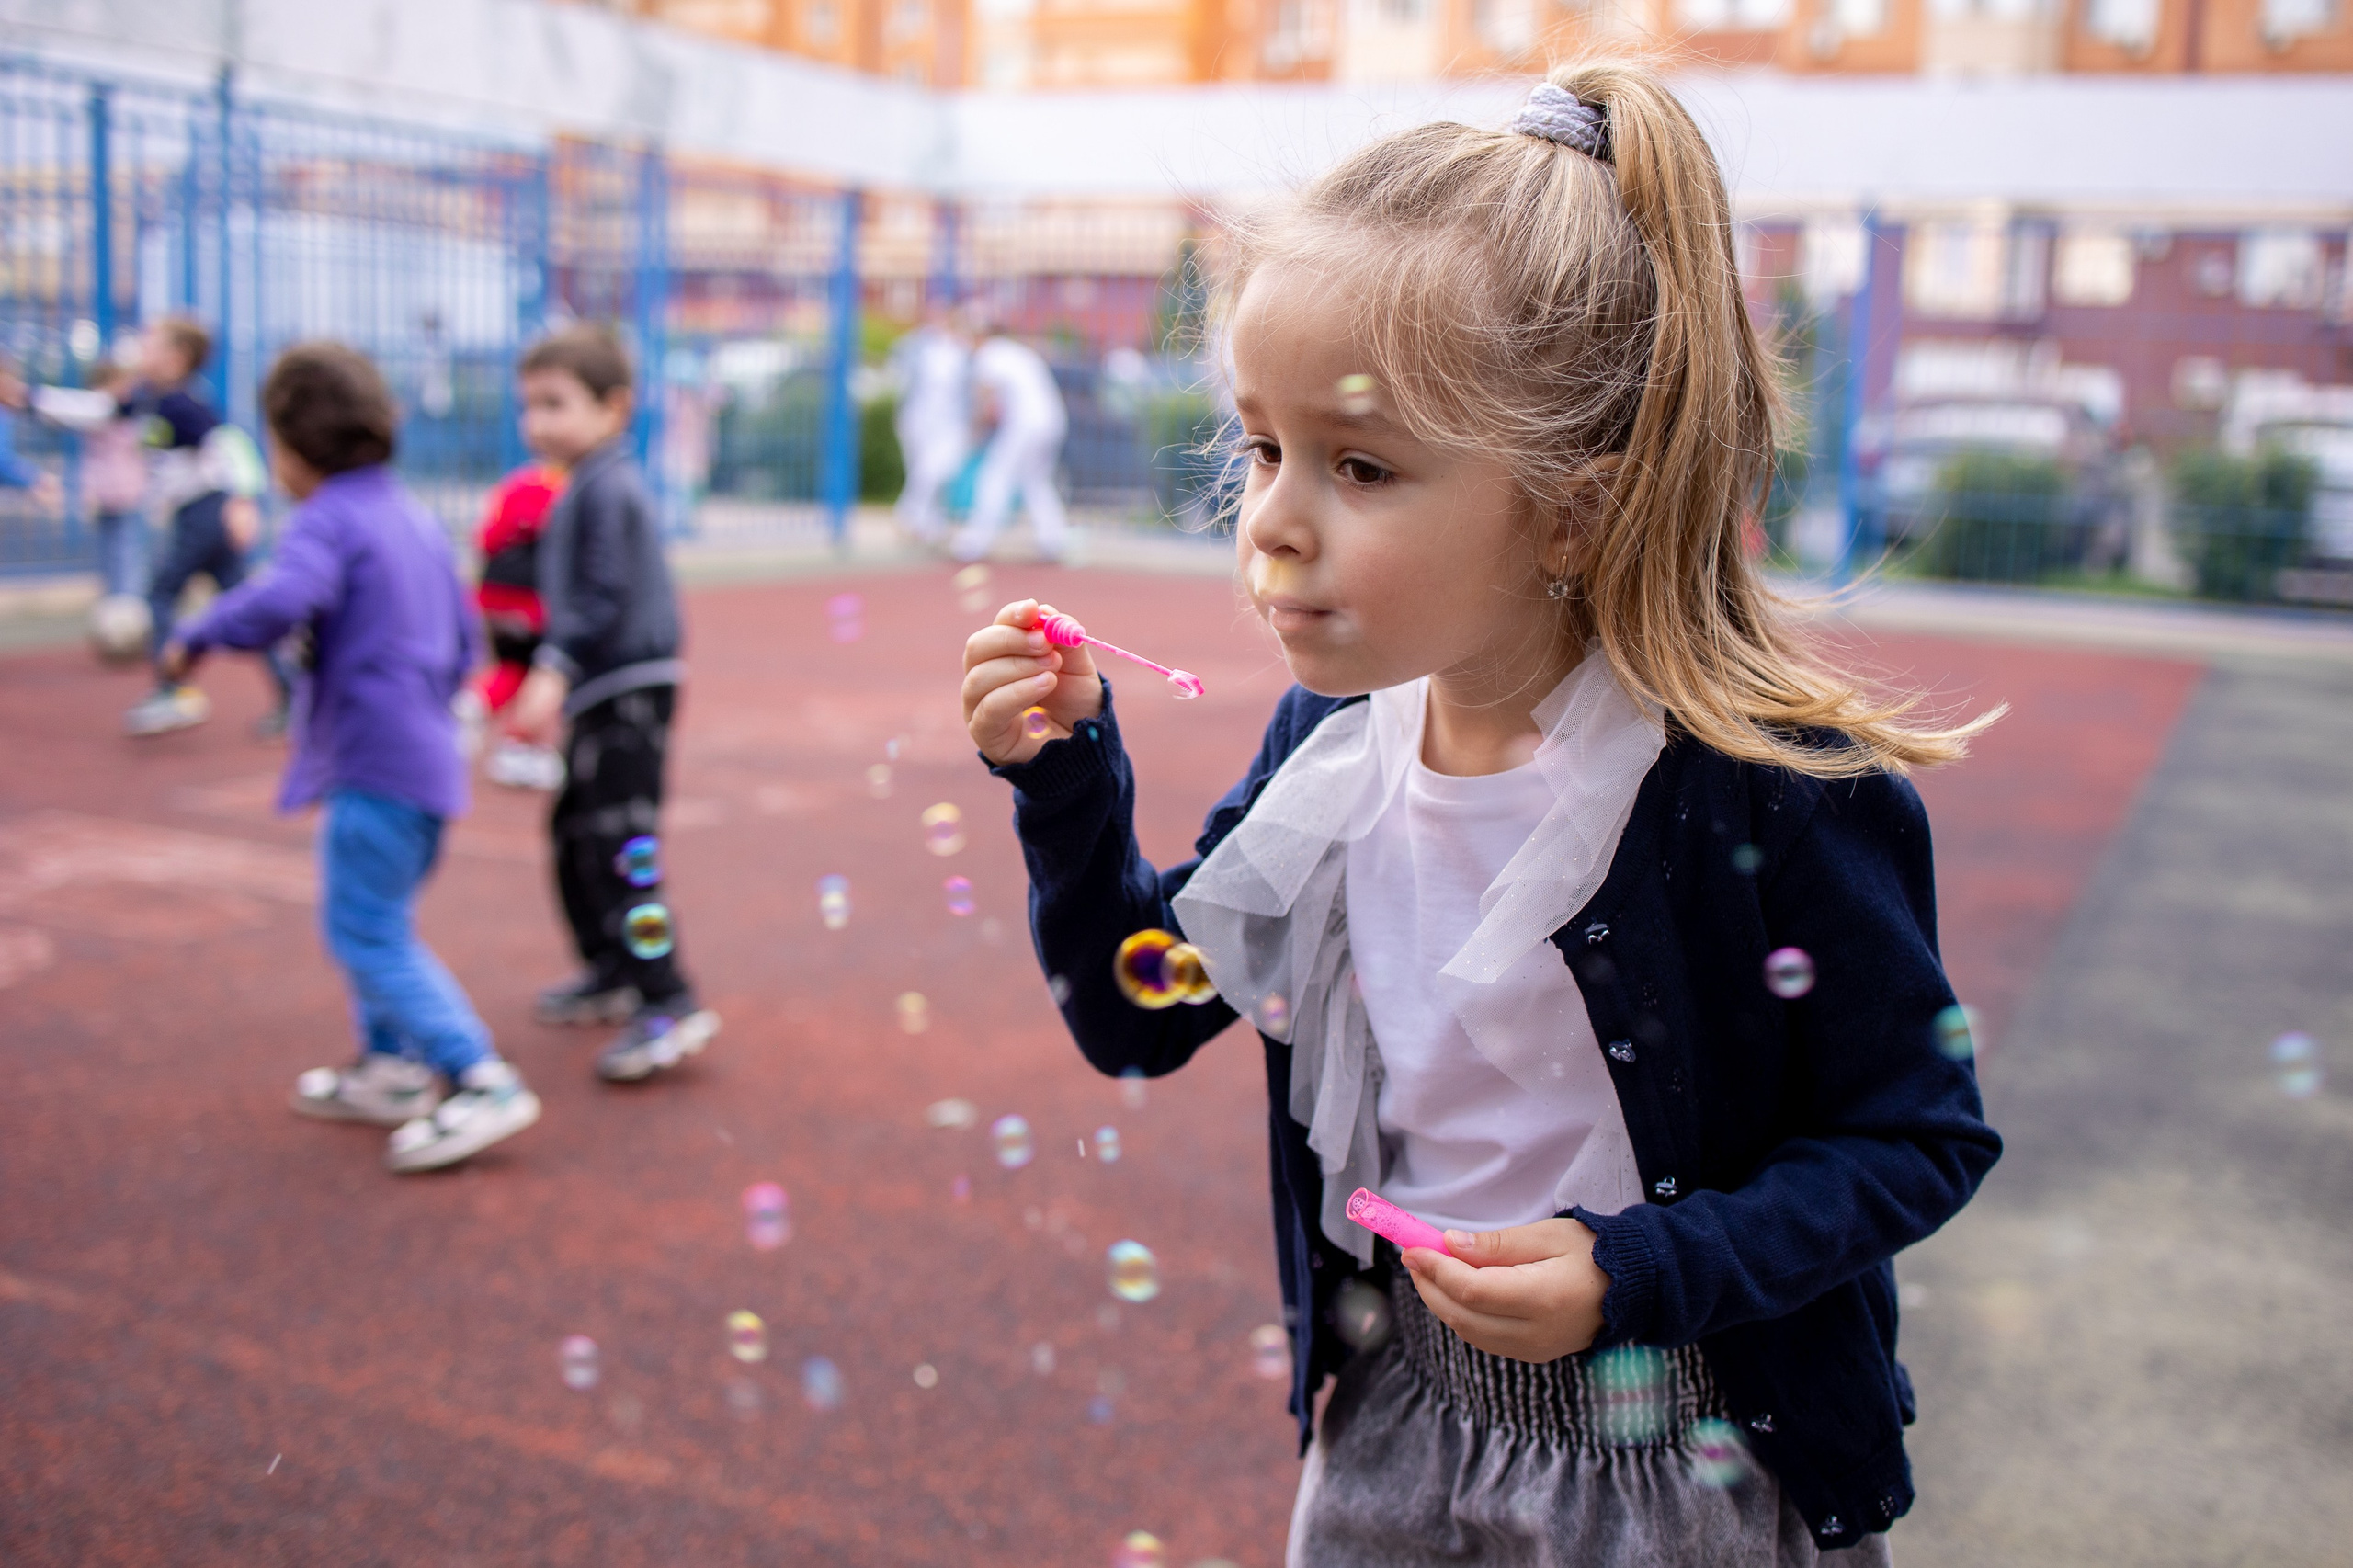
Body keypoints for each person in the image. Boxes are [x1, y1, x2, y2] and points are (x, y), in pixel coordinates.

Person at [961, 61, 2003, 1568]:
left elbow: (1917, 1136)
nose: (1274, 520)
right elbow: (1144, 1007)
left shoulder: (1768, 787)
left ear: (1573, 507)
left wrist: (1641, 1270)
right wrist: (1065, 784)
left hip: (1687, 1462)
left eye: (1361, 464)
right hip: (1395, 1417)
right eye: (1262, 448)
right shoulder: (1335, 745)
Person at [162, 342, 540, 1173]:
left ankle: (478, 1076)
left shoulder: (328, 517)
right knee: (378, 919)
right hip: (427, 755)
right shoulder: (408, 513)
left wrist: (196, 634)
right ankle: (392, 1067)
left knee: (365, 929)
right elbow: (458, 631)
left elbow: (282, 597)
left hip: (379, 764)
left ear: (294, 448)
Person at [502, 324, 720, 1083]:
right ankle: (611, 969)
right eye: (529, 406)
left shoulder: (608, 487)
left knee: (623, 846)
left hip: (627, 688)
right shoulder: (584, 485)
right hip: (608, 687)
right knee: (576, 834)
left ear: (613, 408)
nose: (537, 423)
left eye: (556, 403)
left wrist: (553, 668)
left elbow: (601, 597)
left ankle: (669, 998)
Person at [24, 317, 290, 737]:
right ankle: (293, 695)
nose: (140, 351)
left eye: (149, 344)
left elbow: (230, 444)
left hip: (205, 511)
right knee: (244, 604)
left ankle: (174, 692)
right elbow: (98, 410)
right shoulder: (149, 398)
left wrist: (244, 499)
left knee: (160, 595)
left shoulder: (183, 403)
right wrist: (29, 398)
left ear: (176, 357)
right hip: (199, 514)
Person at [469, 461, 568, 791]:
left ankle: (475, 708)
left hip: (494, 591)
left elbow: (486, 537)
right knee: (544, 670)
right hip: (533, 597)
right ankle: (517, 741)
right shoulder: (568, 490)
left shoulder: (516, 483)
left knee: (512, 666)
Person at [952, 320, 1068, 564]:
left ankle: (975, 541)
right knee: (1035, 480)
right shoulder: (1017, 352)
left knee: (995, 475)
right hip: (1052, 420)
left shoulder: (990, 354)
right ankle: (1053, 540)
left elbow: (985, 398)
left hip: (1025, 425)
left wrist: (973, 434)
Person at [889, 307, 972, 546]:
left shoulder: (964, 352)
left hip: (951, 422)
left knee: (935, 470)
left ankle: (907, 515)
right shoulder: (919, 347)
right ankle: (931, 525)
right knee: (918, 468)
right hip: (918, 417)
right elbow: (899, 361)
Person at [78, 358, 151, 600]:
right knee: (121, 552)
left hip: (120, 492)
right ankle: (121, 604)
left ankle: (123, 602)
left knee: (121, 552)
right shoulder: (102, 410)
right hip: (116, 491)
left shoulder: (124, 413)